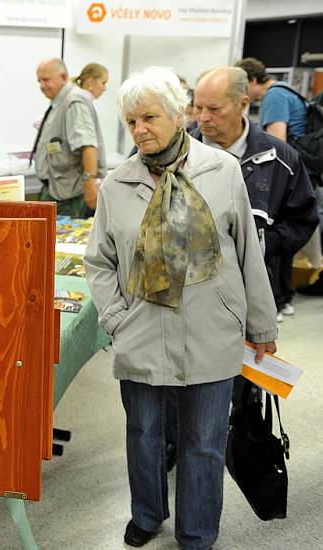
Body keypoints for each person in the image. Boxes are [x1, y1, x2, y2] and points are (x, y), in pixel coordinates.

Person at [84, 67, 277, 550]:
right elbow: (100, 262)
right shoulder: (118, 184)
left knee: (204, 442)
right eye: (130, 121)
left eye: (149, 117)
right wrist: (115, 320)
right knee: (144, 434)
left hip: (213, 330)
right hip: (142, 332)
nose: (139, 130)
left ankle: (197, 532)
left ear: (178, 115)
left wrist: (260, 324)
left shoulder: (221, 171)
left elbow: (247, 252)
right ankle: (147, 515)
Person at [191, 66, 318, 321]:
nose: (203, 117)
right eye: (197, 107)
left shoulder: (281, 158)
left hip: (251, 295)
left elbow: (302, 219)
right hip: (186, 294)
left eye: (214, 109)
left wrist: (264, 245)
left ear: (242, 104)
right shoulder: (178, 152)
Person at [236, 57, 310, 319]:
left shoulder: (274, 97)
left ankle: (276, 302)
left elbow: (275, 142)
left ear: (252, 81)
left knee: (269, 238)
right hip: (305, 174)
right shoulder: (289, 91)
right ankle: (284, 299)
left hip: (285, 175)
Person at [32, 58, 105, 217]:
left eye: (46, 80)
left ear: (63, 77)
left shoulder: (74, 102)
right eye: (39, 81)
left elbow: (88, 146)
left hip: (69, 197)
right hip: (56, 190)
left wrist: (90, 185)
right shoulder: (59, 103)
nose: (42, 86)